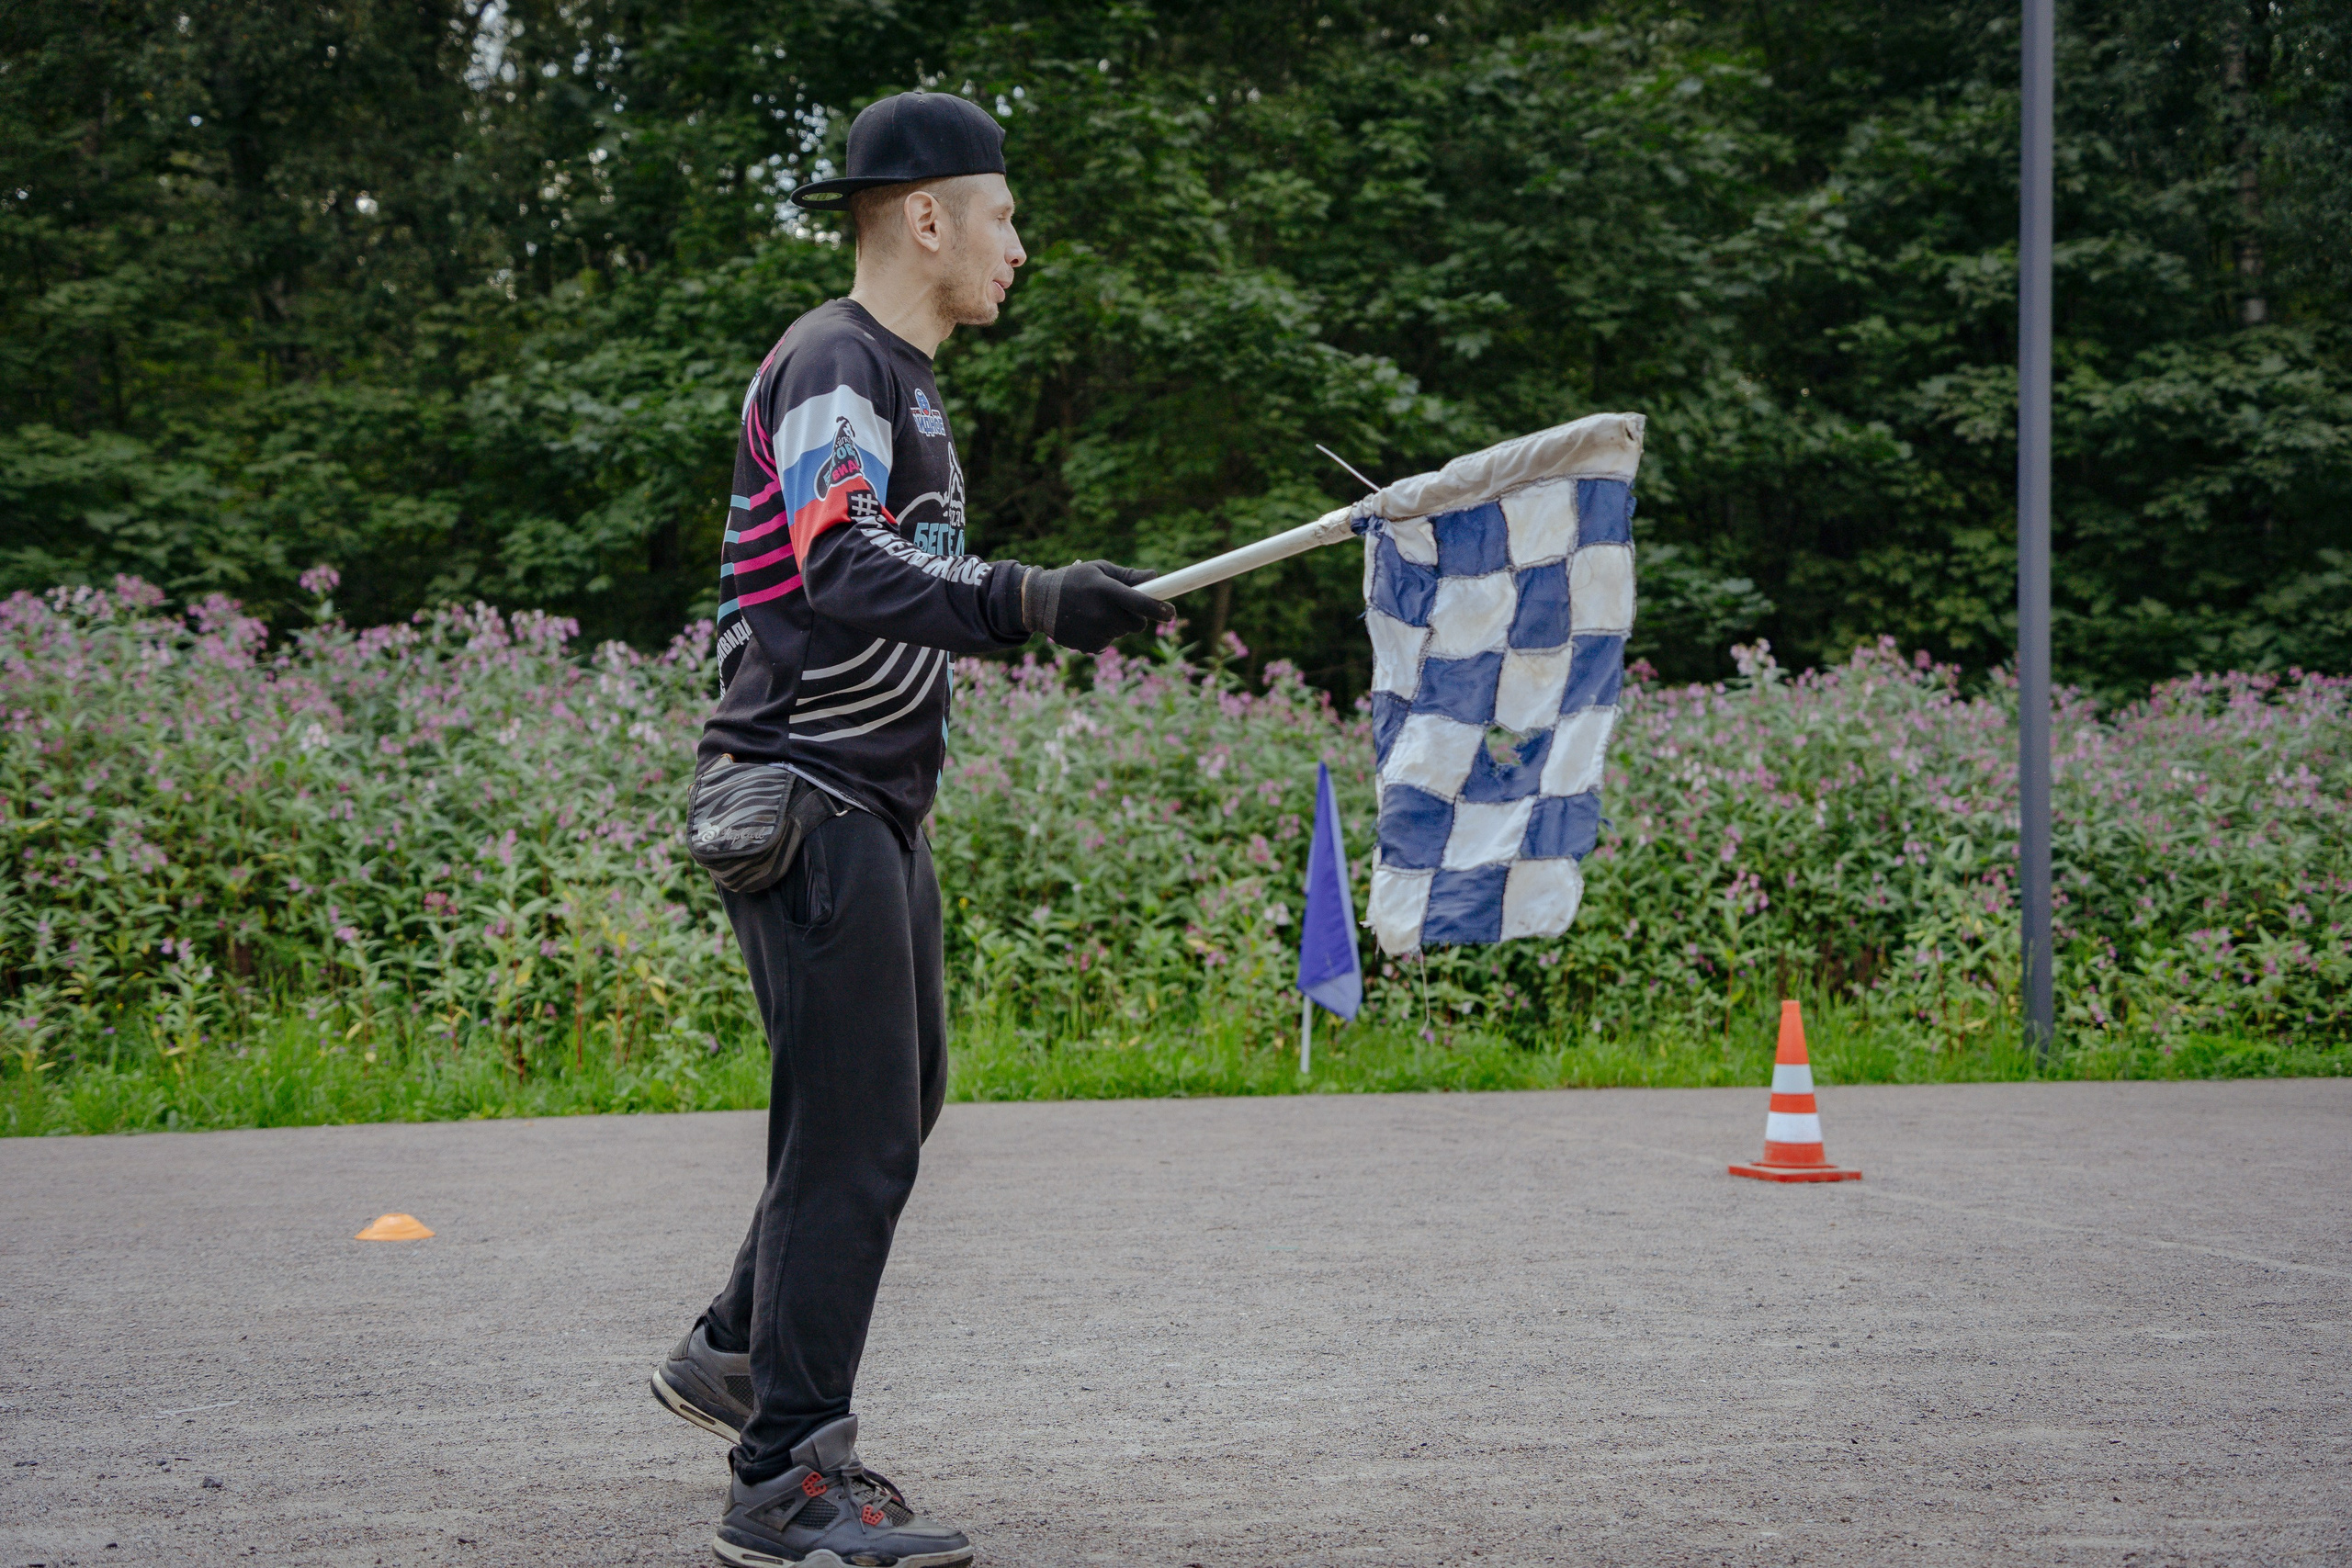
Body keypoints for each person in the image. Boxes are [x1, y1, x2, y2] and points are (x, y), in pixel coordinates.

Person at [648, 91, 1172, 1568]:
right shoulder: (838, 357)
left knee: (896, 1099)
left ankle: (740, 1348)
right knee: (861, 1131)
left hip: (873, 799)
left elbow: (891, 577)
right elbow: (838, 562)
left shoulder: (913, 385)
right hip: (806, 793)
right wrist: (1029, 597)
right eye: (1003, 214)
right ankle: (785, 1478)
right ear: (926, 217)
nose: (1021, 243)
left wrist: (1041, 600)